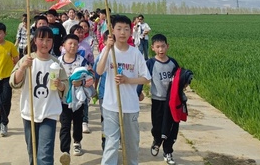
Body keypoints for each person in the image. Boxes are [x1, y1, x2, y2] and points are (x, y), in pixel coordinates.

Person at [96, 15, 151, 165]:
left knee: (131, 144)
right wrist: (107, 48)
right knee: (112, 143)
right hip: (110, 106)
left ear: (131, 31)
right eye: (119, 29)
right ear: (112, 30)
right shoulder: (109, 51)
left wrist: (128, 80)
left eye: (126, 29)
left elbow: (146, 78)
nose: (122, 32)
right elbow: (99, 71)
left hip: (130, 107)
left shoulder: (135, 53)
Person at [9, 26, 68, 165]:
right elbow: (14, 82)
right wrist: (23, 67)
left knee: (45, 155)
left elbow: (65, 86)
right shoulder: (27, 60)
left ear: (52, 42)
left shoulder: (56, 63)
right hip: (29, 112)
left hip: (49, 112)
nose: (45, 43)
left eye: (48, 40)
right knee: (33, 152)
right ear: (35, 40)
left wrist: (60, 85)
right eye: (41, 39)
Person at [145, 34, 180, 165]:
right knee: (157, 126)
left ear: (167, 46)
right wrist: (138, 93)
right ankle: (157, 140)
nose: (161, 49)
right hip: (157, 100)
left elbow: (179, 79)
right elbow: (143, 78)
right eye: (158, 47)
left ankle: (168, 151)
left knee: (172, 127)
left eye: (163, 46)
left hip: (172, 101)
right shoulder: (150, 63)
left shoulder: (173, 63)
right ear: (153, 48)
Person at [58, 33, 93, 161]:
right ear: (63, 46)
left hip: (79, 100)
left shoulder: (82, 61)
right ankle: (65, 150)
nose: (73, 46)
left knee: (78, 122)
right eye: (70, 44)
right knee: (65, 125)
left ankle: (77, 142)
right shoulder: (58, 61)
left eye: (75, 44)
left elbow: (90, 78)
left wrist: (81, 83)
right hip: (63, 100)